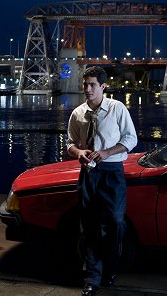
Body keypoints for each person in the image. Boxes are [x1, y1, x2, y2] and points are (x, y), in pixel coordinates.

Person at [67, 66, 137, 296]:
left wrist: (107, 153)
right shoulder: (77, 113)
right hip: (88, 173)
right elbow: (69, 143)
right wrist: (79, 153)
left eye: (92, 85)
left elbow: (130, 138)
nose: (87, 89)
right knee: (89, 226)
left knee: (116, 222)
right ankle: (93, 278)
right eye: (85, 84)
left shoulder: (117, 109)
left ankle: (111, 266)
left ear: (103, 86)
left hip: (112, 172)